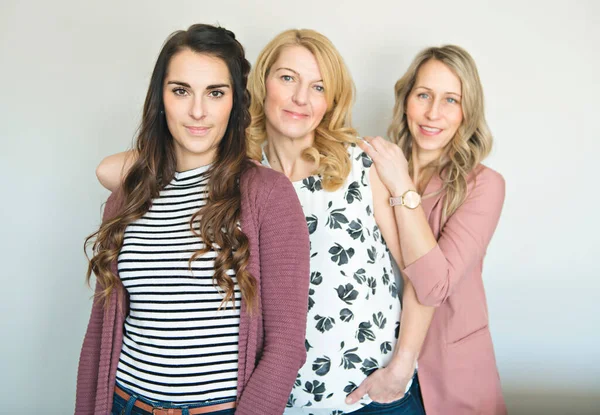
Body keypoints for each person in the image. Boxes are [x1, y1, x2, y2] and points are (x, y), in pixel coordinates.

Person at [96, 29, 430, 415]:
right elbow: (110, 171)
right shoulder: (241, 172)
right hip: (279, 401)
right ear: (260, 84)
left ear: (332, 99)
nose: (301, 98)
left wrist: (401, 368)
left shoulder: (361, 165)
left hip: (368, 395)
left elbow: (424, 276)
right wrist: (191, 134)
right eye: (287, 78)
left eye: (319, 86)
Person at [75, 24, 310, 415]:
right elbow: (99, 335)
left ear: (235, 102)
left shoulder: (268, 195)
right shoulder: (128, 196)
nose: (197, 110)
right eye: (181, 90)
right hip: (125, 404)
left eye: (215, 93)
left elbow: (286, 346)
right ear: (160, 98)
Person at [357, 45, 507, 414]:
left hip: (451, 371)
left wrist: (403, 188)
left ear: (467, 111)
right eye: (423, 95)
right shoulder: (368, 170)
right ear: (406, 98)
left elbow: (435, 285)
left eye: (451, 100)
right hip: (371, 360)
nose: (433, 113)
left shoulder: (484, 186)